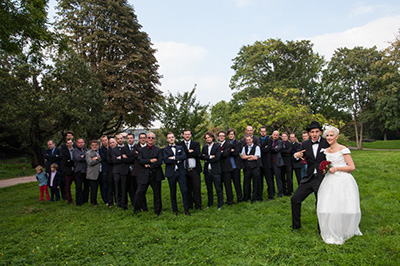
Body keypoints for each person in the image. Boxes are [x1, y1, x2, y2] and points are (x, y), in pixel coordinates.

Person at [317, 126, 362, 244]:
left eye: (331, 135)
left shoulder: (343, 149)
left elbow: (351, 167)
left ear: (336, 137)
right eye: (327, 135)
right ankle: (331, 227)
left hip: (343, 180)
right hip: (329, 180)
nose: (329, 137)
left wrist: (336, 168)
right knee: (328, 205)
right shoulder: (325, 150)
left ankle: (345, 229)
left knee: (344, 205)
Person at [291, 121, 330, 230]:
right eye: (312, 132)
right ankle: (296, 226)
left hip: (322, 179)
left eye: (317, 132)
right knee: (295, 199)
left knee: (320, 204)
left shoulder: (326, 143)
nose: (314, 134)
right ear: (309, 134)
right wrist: (296, 155)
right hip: (309, 177)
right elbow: (296, 155)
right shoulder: (305, 144)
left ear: (320, 132)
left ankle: (322, 229)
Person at [134, 132, 164, 215]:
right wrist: (150, 161)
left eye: (152, 138)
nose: (151, 139)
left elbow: (159, 161)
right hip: (144, 174)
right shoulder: (141, 150)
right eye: (149, 137)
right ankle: (137, 210)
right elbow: (140, 160)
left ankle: (158, 211)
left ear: (154, 140)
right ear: (146, 139)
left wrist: (149, 166)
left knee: (157, 193)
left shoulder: (158, 150)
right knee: (139, 192)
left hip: (156, 174)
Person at [162, 132, 190, 215]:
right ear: (167, 139)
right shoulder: (164, 149)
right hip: (171, 173)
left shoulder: (180, 147)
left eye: (172, 137)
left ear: (174, 138)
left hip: (181, 172)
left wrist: (174, 158)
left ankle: (186, 209)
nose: (171, 139)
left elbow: (184, 156)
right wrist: (178, 159)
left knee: (184, 191)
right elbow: (166, 160)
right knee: (172, 192)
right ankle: (175, 210)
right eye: (169, 137)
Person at [178, 129, 202, 210]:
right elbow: (181, 155)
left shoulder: (196, 144)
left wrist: (186, 153)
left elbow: (197, 153)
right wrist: (189, 152)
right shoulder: (179, 144)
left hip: (194, 169)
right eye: (185, 134)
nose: (187, 136)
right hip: (184, 170)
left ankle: (198, 205)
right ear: (183, 135)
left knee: (196, 188)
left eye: (188, 134)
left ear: (191, 135)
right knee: (187, 189)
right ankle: (189, 205)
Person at [200, 132, 223, 210]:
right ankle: (210, 203)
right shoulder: (204, 147)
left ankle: (220, 204)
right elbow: (201, 157)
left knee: (218, 188)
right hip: (207, 171)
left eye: (209, 137)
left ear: (212, 138)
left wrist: (206, 158)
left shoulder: (217, 146)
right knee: (209, 188)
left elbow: (217, 158)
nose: (208, 139)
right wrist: (210, 157)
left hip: (216, 170)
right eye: (206, 138)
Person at [241, 135, 262, 202]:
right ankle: (246, 197)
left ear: (252, 139)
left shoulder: (257, 147)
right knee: (246, 183)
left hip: (255, 167)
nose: (248, 141)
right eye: (247, 140)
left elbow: (256, 157)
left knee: (256, 182)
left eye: (249, 140)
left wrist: (246, 156)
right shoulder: (244, 147)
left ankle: (256, 197)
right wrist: (250, 156)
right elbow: (242, 157)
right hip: (247, 168)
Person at [132, 133, 148, 211]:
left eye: (144, 138)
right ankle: (139, 207)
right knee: (139, 190)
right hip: (138, 171)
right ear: (139, 139)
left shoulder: (148, 146)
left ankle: (145, 207)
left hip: (148, 171)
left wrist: (141, 155)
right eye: (141, 138)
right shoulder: (135, 147)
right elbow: (136, 157)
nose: (142, 139)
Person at [111, 134, 128, 209]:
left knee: (124, 188)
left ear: (123, 139)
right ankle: (118, 203)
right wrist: (121, 157)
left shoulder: (126, 148)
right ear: (116, 140)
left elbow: (128, 158)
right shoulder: (114, 149)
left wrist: (119, 158)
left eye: (121, 138)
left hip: (125, 170)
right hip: (117, 171)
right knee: (117, 188)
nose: (120, 140)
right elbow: (114, 160)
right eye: (118, 139)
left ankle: (125, 203)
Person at [227, 128, 243, 203]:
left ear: (234, 135)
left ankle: (239, 198)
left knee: (237, 183)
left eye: (232, 134)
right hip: (227, 167)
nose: (231, 136)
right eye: (229, 134)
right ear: (228, 135)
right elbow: (224, 153)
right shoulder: (226, 143)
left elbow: (236, 153)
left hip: (236, 166)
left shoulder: (238, 143)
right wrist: (231, 150)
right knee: (228, 185)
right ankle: (230, 200)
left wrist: (228, 151)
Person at [218, 131, 234, 205]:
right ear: (218, 137)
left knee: (228, 185)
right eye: (220, 136)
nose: (221, 137)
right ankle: (221, 201)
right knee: (219, 186)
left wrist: (220, 153)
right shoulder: (216, 145)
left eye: (223, 136)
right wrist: (220, 152)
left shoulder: (228, 144)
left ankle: (230, 201)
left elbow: (225, 154)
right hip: (218, 168)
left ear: (225, 137)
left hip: (227, 168)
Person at [85, 140, 102, 206]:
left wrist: (96, 158)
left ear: (98, 145)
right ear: (90, 146)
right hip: (93, 173)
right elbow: (90, 162)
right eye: (93, 145)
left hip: (100, 172)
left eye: (96, 145)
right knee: (93, 189)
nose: (94, 146)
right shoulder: (88, 153)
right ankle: (93, 202)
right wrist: (98, 158)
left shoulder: (100, 151)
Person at [259, 127, 273, 201]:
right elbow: (259, 149)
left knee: (269, 180)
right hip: (260, 163)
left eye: (264, 131)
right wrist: (263, 148)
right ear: (259, 132)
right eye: (262, 131)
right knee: (260, 181)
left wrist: (261, 148)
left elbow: (267, 149)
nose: (263, 133)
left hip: (267, 163)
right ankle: (260, 197)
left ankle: (270, 196)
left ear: (266, 132)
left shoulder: (269, 140)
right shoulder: (258, 140)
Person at [73, 138, 88, 206]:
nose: (81, 144)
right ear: (77, 143)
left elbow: (88, 157)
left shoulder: (86, 150)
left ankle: (85, 200)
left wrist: (83, 156)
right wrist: (85, 157)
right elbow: (78, 158)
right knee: (79, 187)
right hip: (79, 170)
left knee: (86, 186)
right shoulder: (75, 150)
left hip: (86, 170)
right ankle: (78, 201)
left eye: (82, 142)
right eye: (79, 142)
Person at [270, 131, 284, 198]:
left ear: (278, 136)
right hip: (270, 162)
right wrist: (273, 148)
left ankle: (280, 193)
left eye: (276, 135)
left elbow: (277, 150)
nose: (275, 136)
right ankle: (272, 193)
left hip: (277, 162)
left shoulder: (280, 142)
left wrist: (269, 148)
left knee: (278, 178)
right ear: (272, 135)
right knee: (271, 179)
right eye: (274, 135)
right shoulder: (270, 141)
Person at [61, 139, 76, 204]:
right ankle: (70, 200)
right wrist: (72, 162)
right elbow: (65, 162)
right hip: (68, 171)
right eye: (68, 143)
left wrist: (70, 161)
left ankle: (79, 199)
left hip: (75, 171)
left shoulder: (75, 150)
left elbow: (77, 159)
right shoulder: (64, 152)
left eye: (70, 143)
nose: (70, 144)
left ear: (72, 143)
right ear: (66, 144)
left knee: (78, 186)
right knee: (67, 187)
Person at [98, 135, 109, 205]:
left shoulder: (110, 148)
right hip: (104, 169)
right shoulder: (101, 149)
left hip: (110, 169)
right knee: (104, 185)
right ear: (101, 142)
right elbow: (105, 158)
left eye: (106, 140)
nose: (105, 141)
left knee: (109, 185)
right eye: (103, 140)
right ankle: (105, 200)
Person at [106, 138, 117, 207]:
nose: (112, 144)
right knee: (110, 188)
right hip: (110, 171)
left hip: (118, 171)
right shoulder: (108, 151)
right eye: (110, 143)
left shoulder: (119, 150)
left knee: (117, 188)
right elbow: (108, 160)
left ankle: (117, 201)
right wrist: (116, 159)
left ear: (115, 143)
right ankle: (110, 202)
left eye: (113, 142)